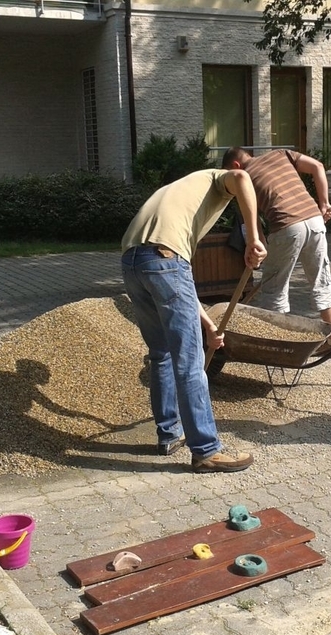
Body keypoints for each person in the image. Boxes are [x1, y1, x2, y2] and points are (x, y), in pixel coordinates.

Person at [120, 169, 267, 473]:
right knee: (189, 359)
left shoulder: (181, 192)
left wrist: (209, 325)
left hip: (132, 262)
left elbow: (174, 281)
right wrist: (253, 239)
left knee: (161, 354)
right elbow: (241, 177)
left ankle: (169, 434)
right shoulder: (218, 179)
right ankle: (206, 450)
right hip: (164, 258)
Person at [221, 147, 331, 351]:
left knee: (274, 290)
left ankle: (278, 347)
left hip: (286, 226)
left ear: (235, 166)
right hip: (315, 220)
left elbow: (252, 220)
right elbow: (318, 167)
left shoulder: (243, 177)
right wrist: (324, 203)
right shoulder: (281, 154)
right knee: (322, 282)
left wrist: (258, 247)